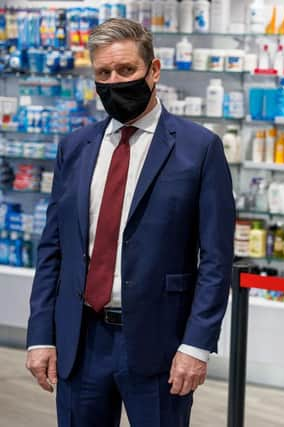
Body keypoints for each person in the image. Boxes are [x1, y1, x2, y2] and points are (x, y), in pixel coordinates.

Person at [24, 18, 235, 426]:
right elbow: (53, 248)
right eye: (104, 73)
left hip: (160, 344)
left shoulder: (199, 149)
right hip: (81, 342)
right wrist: (41, 334)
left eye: (126, 70)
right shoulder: (75, 147)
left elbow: (215, 259)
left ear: (153, 71)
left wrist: (196, 345)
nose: (115, 81)